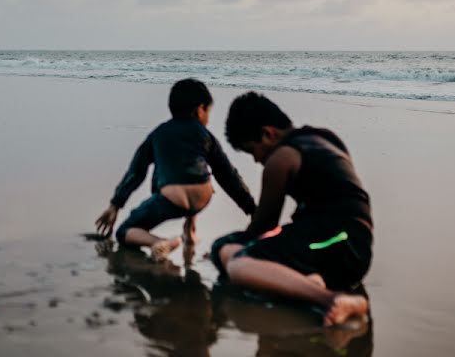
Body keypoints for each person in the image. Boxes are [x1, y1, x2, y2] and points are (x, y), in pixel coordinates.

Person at [210, 92, 373, 327]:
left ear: (267, 133)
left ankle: (333, 299)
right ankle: (311, 281)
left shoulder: (282, 158)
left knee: (235, 263)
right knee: (229, 250)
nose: (256, 160)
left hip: (336, 243)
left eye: (251, 150)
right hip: (352, 247)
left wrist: (230, 247)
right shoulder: (324, 138)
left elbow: (264, 227)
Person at [95, 79, 256, 261]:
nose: (208, 118)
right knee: (196, 169)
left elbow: (136, 172)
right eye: (208, 112)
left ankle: (159, 242)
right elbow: (227, 174)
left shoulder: (158, 134)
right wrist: (250, 208)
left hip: (172, 199)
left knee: (124, 231)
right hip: (202, 197)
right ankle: (190, 232)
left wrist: (115, 204)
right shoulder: (205, 135)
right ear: (200, 109)